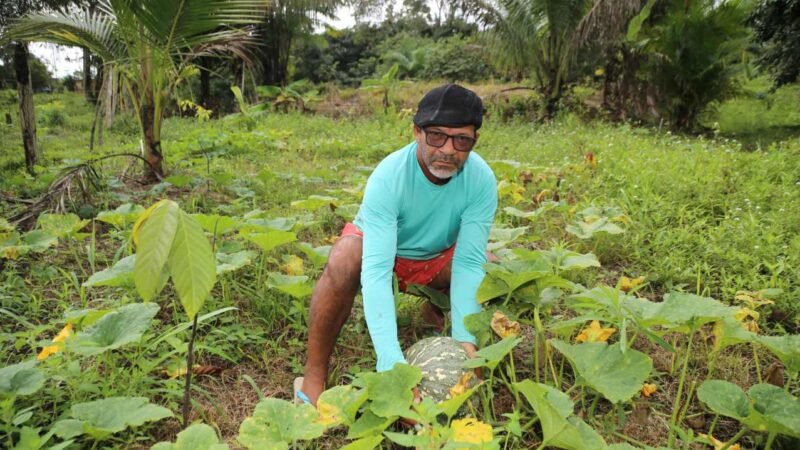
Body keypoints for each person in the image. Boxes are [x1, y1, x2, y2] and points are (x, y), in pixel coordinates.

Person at [297, 83, 498, 405]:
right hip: (383, 254)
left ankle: (435, 314)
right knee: (344, 259)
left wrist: (466, 341)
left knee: (490, 264)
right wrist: (390, 361)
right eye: (436, 136)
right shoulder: (389, 176)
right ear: (417, 132)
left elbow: (469, 263)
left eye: (461, 139)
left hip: (435, 258)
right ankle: (315, 372)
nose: (448, 149)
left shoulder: (482, 180)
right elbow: (376, 271)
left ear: (474, 140)